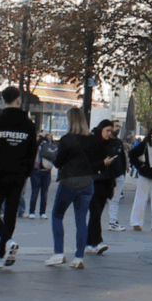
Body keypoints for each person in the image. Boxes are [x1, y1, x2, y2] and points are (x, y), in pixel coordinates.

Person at [0, 86, 37, 269]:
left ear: (3, 100)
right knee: (11, 213)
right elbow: (32, 151)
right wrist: (27, 171)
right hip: (18, 174)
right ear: (18, 100)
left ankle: (7, 242)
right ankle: (0, 253)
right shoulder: (28, 125)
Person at [46, 108, 105, 269]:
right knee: (81, 219)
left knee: (57, 215)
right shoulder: (92, 139)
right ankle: (79, 257)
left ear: (70, 120)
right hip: (87, 182)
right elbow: (95, 161)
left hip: (69, 181)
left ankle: (59, 253)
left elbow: (58, 162)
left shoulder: (66, 139)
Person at [85, 118, 119, 254]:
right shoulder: (92, 143)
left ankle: (89, 243)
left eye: (111, 131)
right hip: (94, 183)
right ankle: (98, 242)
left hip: (105, 183)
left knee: (96, 214)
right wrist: (102, 163)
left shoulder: (109, 144)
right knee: (95, 213)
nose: (109, 133)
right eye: (107, 130)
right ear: (101, 130)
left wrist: (113, 186)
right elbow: (88, 165)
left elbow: (112, 168)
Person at [26, 131, 56, 218]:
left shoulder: (49, 144)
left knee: (44, 193)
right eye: (40, 135)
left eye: (46, 135)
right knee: (35, 192)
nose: (43, 137)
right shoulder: (35, 144)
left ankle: (42, 212)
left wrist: (49, 140)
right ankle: (32, 212)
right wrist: (40, 139)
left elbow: (54, 151)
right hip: (36, 171)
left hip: (47, 171)